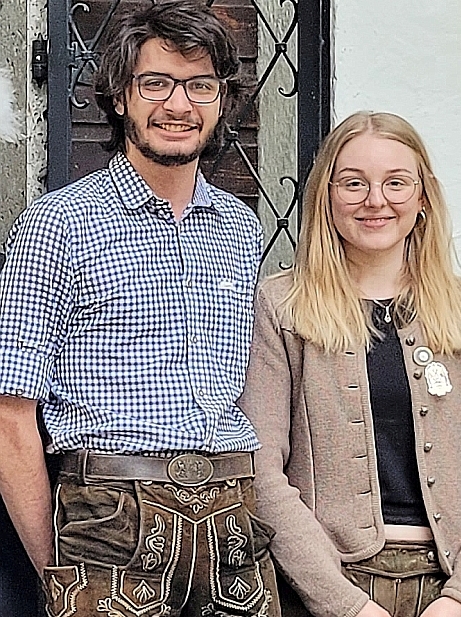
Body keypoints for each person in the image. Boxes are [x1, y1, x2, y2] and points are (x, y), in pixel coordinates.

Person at [0, 2, 279, 615]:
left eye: (200, 85)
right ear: (120, 95)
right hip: (109, 519)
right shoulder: (58, 223)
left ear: (221, 101)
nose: (179, 105)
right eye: (155, 83)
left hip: (232, 519)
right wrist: (56, 572)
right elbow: (10, 415)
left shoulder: (239, 227)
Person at [238, 111, 461, 617]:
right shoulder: (283, 306)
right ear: (326, 196)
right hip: (325, 589)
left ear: (423, 198)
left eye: (396, 182)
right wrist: (343, 603)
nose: (376, 200)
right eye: (354, 183)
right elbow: (261, 471)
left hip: (447, 586)